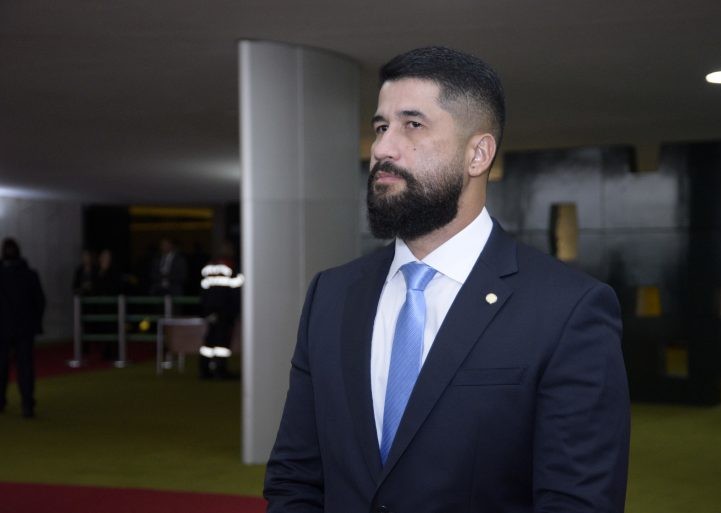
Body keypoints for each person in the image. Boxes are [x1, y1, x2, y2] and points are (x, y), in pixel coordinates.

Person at [264, 47, 630, 513]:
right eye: (381, 127)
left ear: (478, 153)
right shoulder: (330, 295)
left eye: (412, 125)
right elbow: (295, 475)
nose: (381, 148)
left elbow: (578, 501)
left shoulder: (568, 309)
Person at [0, 238, 46, 418]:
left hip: (3, 329)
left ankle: (2, 401)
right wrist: (35, 323)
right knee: (25, 368)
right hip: (24, 329)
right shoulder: (30, 274)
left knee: (2, 368)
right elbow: (40, 301)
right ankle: (27, 404)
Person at [199, 242, 242, 379]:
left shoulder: (210, 265)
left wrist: (205, 308)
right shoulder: (230, 265)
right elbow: (235, 288)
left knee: (209, 340)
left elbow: (203, 288)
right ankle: (220, 370)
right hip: (225, 310)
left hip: (210, 309)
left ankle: (205, 370)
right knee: (222, 342)